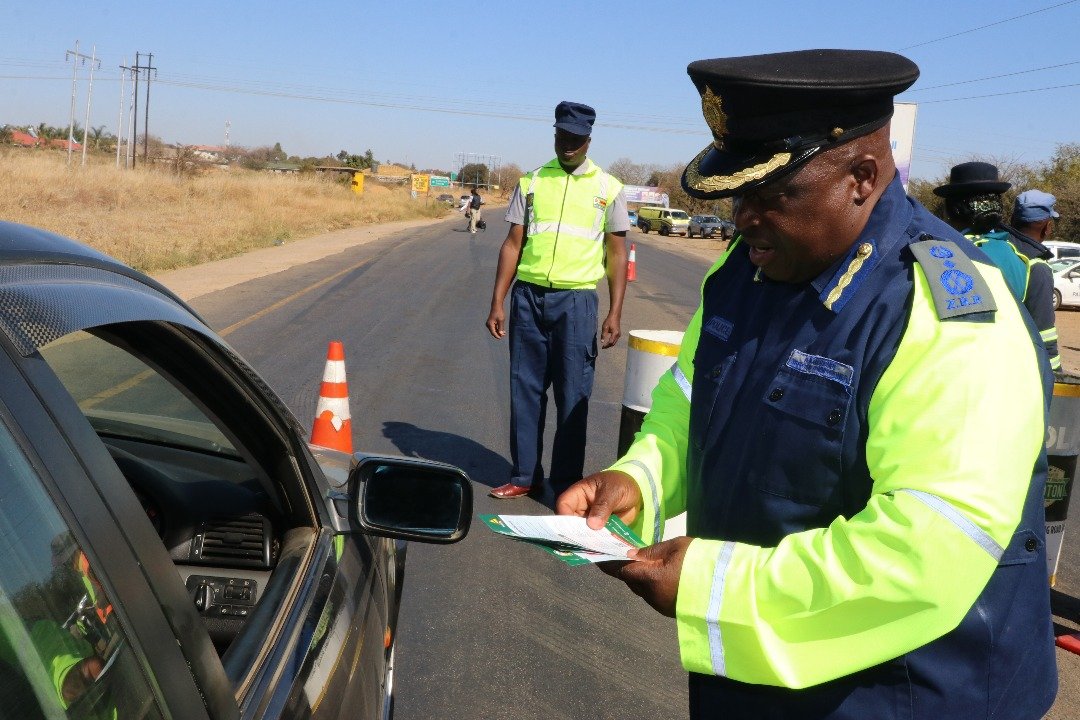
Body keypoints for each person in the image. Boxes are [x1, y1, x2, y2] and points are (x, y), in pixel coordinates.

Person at [557, 49, 1057, 719]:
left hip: (909, 695)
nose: (741, 217)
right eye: (736, 193)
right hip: (756, 681)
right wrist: (639, 480)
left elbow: (922, 552)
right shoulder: (743, 274)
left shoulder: (952, 318)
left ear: (862, 176)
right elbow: (689, 399)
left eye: (770, 194)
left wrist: (712, 591)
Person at [485, 100, 630, 499]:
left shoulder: (608, 188)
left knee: (573, 394)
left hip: (577, 304)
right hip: (528, 299)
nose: (568, 146)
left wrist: (615, 311)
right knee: (525, 389)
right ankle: (524, 476)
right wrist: (498, 300)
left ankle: (566, 482)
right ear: (554, 134)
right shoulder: (531, 183)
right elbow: (512, 245)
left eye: (577, 140)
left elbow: (616, 252)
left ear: (588, 141)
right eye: (562, 137)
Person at [935, 163, 1060, 370]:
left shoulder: (928, 253)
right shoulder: (1023, 262)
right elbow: (1044, 343)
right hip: (1004, 383)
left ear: (950, 212)